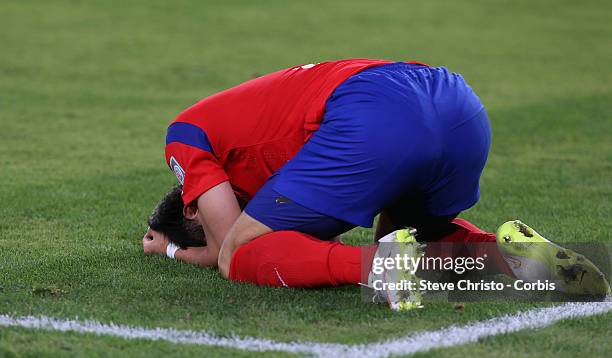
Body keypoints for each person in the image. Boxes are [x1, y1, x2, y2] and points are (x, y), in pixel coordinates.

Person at [143, 59, 610, 310]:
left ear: (190, 208)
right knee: (403, 233)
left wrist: (171, 250)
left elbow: (227, 247)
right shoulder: (252, 128)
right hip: (455, 102)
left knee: (242, 255)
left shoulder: (185, 134)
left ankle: (380, 269)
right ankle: (520, 260)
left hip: (374, 114)